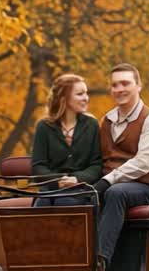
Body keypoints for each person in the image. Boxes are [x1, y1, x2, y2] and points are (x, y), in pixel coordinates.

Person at [92, 62, 149, 267]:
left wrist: (107, 181)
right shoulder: (106, 121)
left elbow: (143, 163)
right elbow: (97, 159)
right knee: (78, 197)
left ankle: (100, 260)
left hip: (142, 187)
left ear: (138, 86)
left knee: (116, 192)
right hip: (107, 184)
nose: (119, 89)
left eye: (125, 83)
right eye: (115, 85)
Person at [30, 74, 102, 207]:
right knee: (42, 204)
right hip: (49, 190)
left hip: (81, 190)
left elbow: (96, 165)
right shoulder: (44, 126)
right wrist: (59, 179)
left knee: (65, 202)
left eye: (86, 93)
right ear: (64, 98)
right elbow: (38, 167)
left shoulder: (92, 125)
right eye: (80, 94)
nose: (86, 98)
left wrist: (77, 179)